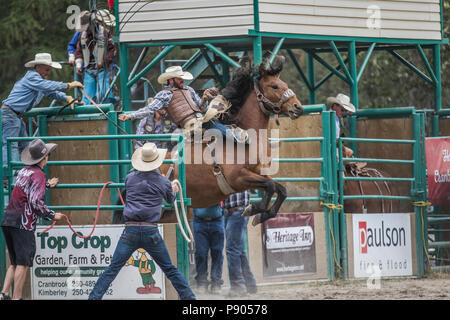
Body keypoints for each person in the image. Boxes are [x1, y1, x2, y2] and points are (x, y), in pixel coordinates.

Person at [88, 142, 195, 300]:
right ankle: (190, 299)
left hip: (130, 231)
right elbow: (170, 200)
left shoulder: (130, 178)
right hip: (150, 231)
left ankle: (93, 298)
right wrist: (172, 189)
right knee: (170, 269)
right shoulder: (162, 181)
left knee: (112, 269)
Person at [118, 66, 249, 143]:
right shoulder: (165, 94)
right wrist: (131, 116)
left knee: (218, 117)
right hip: (189, 124)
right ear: (171, 80)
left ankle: (234, 133)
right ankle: (236, 137)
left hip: (200, 118)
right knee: (210, 123)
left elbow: (202, 109)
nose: (182, 80)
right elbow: (150, 109)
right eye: (179, 78)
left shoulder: (189, 90)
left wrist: (204, 99)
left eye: (182, 77)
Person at [0, 139, 63, 300]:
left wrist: (46, 185)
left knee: (14, 262)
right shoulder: (39, 175)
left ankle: (4, 293)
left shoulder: (24, 172)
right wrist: (51, 215)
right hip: (23, 223)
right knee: (23, 263)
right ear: (44, 158)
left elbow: (26, 190)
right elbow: (35, 201)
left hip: (9, 219)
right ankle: (17, 297)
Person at [2, 53, 84, 166]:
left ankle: (20, 175)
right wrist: (68, 85)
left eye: (49, 70)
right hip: (10, 114)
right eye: (46, 69)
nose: (48, 72)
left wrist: (66, 97)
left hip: (14, 116)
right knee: (11, 146)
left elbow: (50, 92)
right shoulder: (33, 78)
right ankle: (8, 180)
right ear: (38, 67)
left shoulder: (38, 82)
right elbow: (48, 86)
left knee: (24, 146)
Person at [74, 9, 116, 105]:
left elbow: (112, 50)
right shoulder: (82, 36)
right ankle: (85, 119)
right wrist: (79, 64)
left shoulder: (105, 32)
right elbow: (78, 51)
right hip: (89, 69)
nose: (85, 29)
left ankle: (106, 115)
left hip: (104, 69)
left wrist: (103, 61)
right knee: (87, 98)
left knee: (103, 94)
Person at [223, 190, 257, 296]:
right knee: (238, 250)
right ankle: (250, 285)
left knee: (232, 249)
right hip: (232, 211)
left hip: (238, 210)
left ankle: (238, 286)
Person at [192, 204, 225, 294]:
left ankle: (216, 283)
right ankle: (202, 283)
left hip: (217, 220)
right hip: (200, 220)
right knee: (201, 253)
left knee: (217, 252)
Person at [326, 93, 356, 159]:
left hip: (332, 146)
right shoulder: (330, 117)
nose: (344, 112)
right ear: (334, 106)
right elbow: (333, 140)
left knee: (349, 153)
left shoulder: (334, 117)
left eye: (346, 111)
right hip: (330, 148)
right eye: (342, 110)